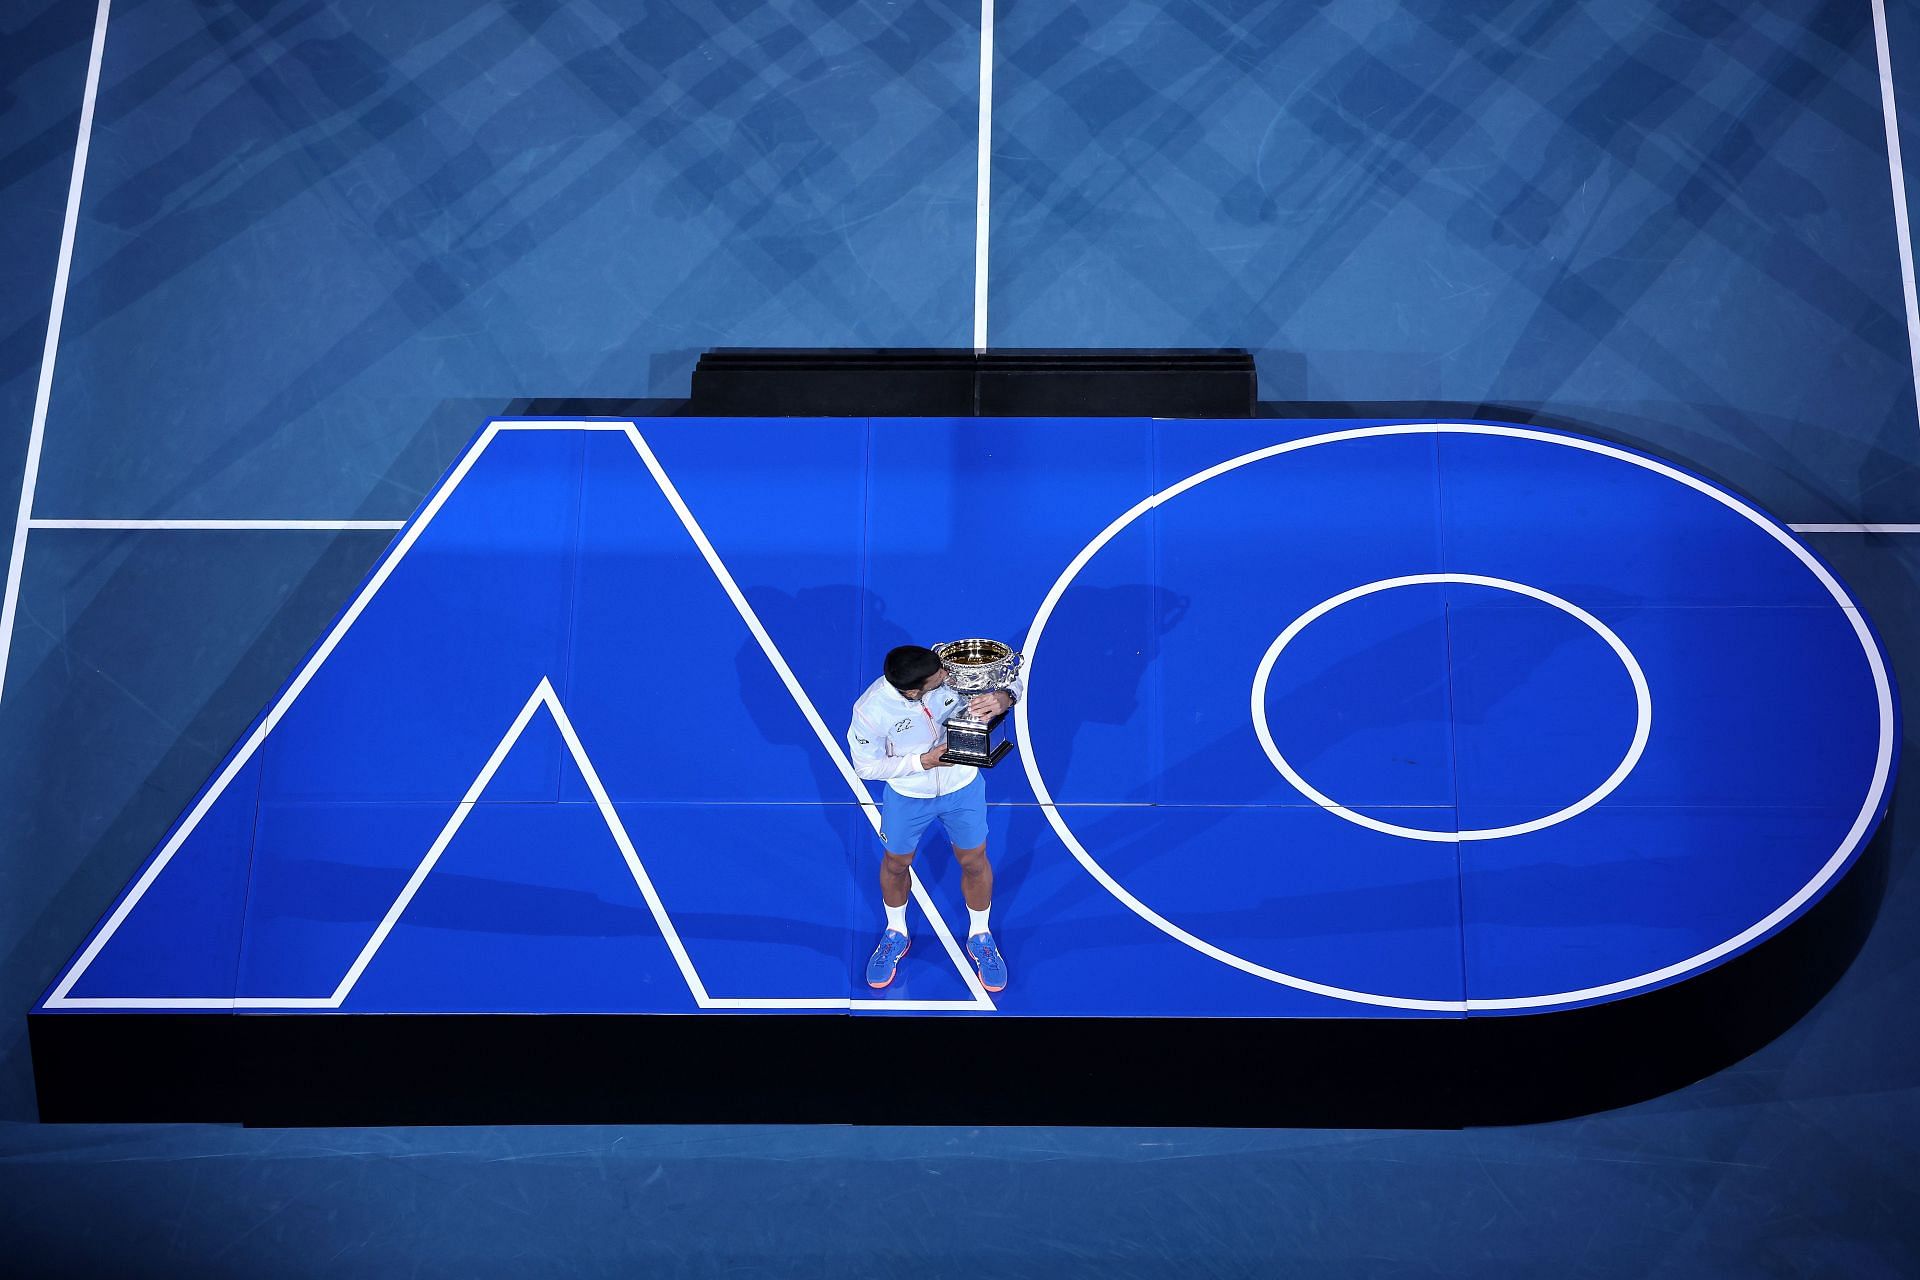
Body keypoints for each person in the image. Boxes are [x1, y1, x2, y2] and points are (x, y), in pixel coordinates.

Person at [846, 644, 1021, 993]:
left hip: (963, 787)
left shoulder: (943, 668)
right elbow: (865, 766)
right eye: (939, 677)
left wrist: (1004, 697)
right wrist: (922, 762)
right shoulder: (871, 711)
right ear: (913, 691)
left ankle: (980, 935)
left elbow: (1012, 679)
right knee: (896, 864)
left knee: (974, 861)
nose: (947, 677)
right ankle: (895, 932)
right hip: (909, 797)